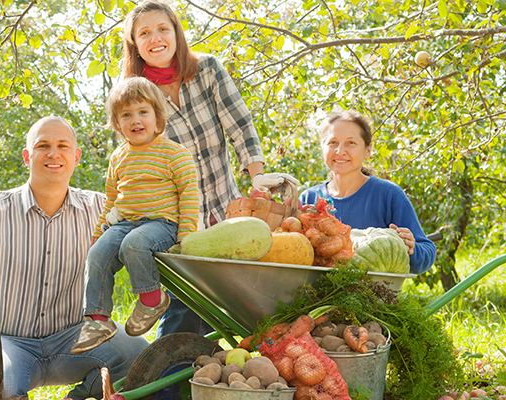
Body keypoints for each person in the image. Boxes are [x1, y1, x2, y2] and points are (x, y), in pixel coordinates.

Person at [0, 116, 149, 400]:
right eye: (43, 145)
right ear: (27, 156)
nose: (53, 153)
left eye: (62, 145)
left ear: (76, 156)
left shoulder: (100, 209)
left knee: (138, 357)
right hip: (9, 343)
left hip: (76, 337)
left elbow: (151, 225)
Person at [119, 0, 297, 336]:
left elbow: (240, 126)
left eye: (162, 29)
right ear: (135, 44)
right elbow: (137, 162)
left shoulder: (208, 70)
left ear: (175, 32)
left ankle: (254, 367)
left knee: (244, 301)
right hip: (178, 220)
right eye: (144, 33)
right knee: (185, 309)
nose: (155, 38)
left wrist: (257, 174)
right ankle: (169, 383)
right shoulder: (132, 95)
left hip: (226, 210)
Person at [70, 77, 200, 354]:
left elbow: (189, 195)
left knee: (134, 244)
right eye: (126, 115)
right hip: (125, 222)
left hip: (163, 224)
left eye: (143, 112)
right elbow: (113, 201)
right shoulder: (118, 157)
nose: (135, 120)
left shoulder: (175, 154)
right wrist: (99, 231)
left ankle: (152, 299)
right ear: (117, 123)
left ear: (157, 116)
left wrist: (186, 234)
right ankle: (98, 320)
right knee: (97, 255)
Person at [299, 110, 435, 274]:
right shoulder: (308, 199)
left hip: (372, 296)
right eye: (333, 142)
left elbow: (427, 253)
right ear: (322, 147)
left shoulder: (388, 195)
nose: (340, 151)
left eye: (351, 143)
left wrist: (411, 249)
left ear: (368, 150)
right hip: (315, 296)